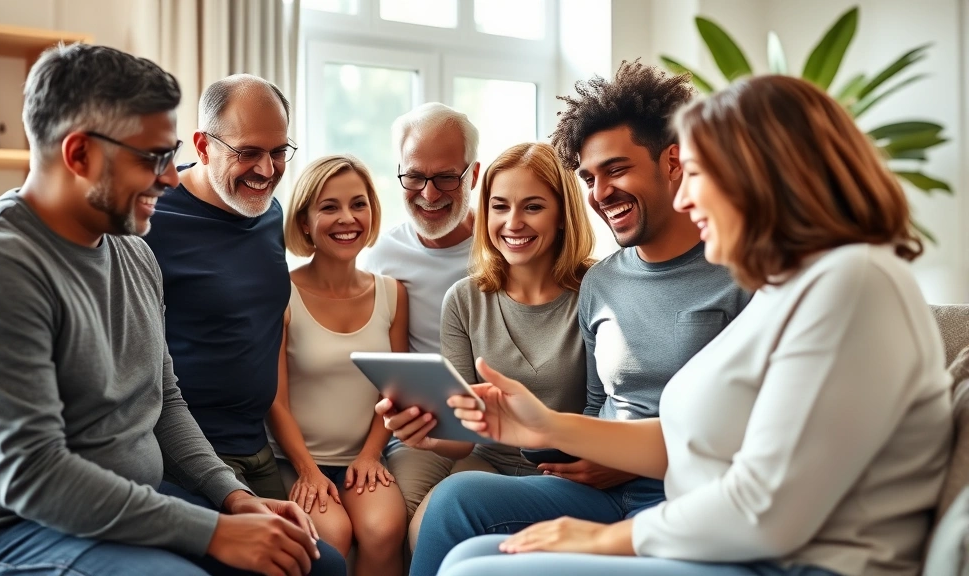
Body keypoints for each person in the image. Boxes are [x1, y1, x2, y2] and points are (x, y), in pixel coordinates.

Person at [438, 74, 952, 576]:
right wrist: (543, 424)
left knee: (474, 570)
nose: (684, 197)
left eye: (699, 174)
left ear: (764, 173)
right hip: (731, 541)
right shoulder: (787, 287)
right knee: (466, 557)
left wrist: (603, 538)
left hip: (796, 561)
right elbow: (685, 442)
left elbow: (765, 510)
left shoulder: (851, 282)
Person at [0, 44, 344, 576]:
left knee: (318, 564)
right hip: (12, 530)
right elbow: (34, 477)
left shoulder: (134, 250)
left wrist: (234, 499)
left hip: (134, 501)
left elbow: (166, 403)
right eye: (153, 158)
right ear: (80, 154)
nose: (173, 177)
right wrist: (215, 532)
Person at [409, 60, 750, 576]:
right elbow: (598, 403)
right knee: (456, 501)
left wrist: (616, 457)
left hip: (681, 491)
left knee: (473, 566)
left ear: (674, 163)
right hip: (596, 486)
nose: (599, 192)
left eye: (615, 169)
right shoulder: (603, 283)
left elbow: (746, 429)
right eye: (589, 177)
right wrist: (579, 449)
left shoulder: (741, 275)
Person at [376, 142, 595, 548]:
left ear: (563, 214)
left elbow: (605, 408)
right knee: (422, 529)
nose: (513, 223)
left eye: (532, 207)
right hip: (487, 462)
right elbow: (461, 435)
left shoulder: (596, 291)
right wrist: (422, 432)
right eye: (499, 206)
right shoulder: (464, 299)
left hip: (567, 471)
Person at [144, 74, 297, 499]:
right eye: (248, 152)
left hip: (257, 446)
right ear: (202, 145)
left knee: (316, 560)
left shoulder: (269, 211)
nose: (267, 170)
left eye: (279, 151)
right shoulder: (150, 217)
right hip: (187, 453)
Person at [268, 155, 408, 575]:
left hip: (362, 458)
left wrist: (370, 455)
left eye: (358, 204)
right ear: (305, 221)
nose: (347, 218)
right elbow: (275, 401)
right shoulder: (281, 292)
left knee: (384, 528)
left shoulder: (392, 293)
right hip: (293, 461)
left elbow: (394, 390)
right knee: (332, 534)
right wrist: (307, 471)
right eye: (329, 207)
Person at [360, 103, 482, 522]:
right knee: (403, 518)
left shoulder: (503, 242)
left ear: (474, 175)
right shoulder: (381, 256)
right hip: (423, 431)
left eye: (447, 177)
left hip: (498, 428)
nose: (429, 194)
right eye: (414, 176)